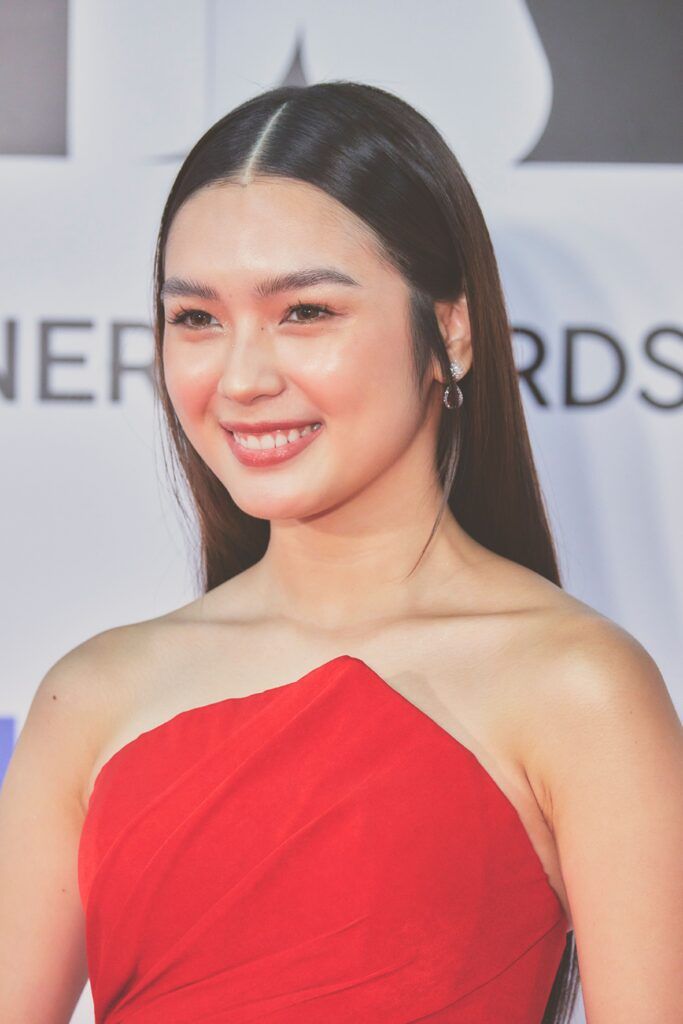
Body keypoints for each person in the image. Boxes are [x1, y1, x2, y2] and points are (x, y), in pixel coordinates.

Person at [1, 81, 681, 1024]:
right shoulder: (92, 695)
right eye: (196, 319)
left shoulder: (577, 687)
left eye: (305, 312)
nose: (241, 377)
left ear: (450, 330)